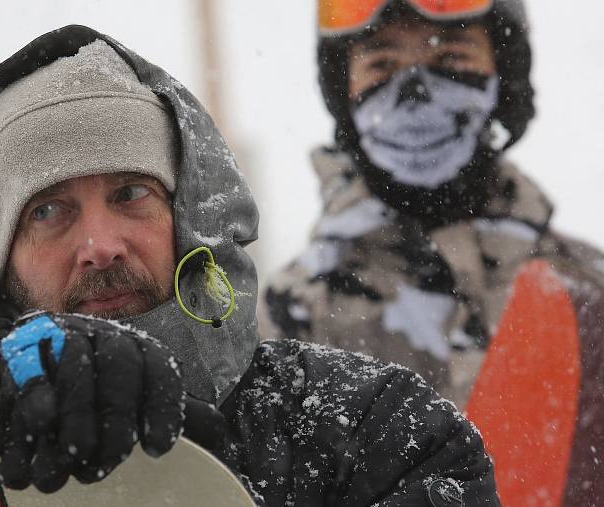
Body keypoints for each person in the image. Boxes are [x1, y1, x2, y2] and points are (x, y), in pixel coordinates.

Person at [0, 25, 499, 507]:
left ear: (188, 220)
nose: (100, 243)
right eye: (48, 212)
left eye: (131, 194)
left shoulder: (367, 427)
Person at [259, 0, 604, 504]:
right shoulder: (295, 314)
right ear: (344, 89)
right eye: (382, 65)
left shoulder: (585, 290)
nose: (416, 92)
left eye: (452, 60)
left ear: (502, 75)